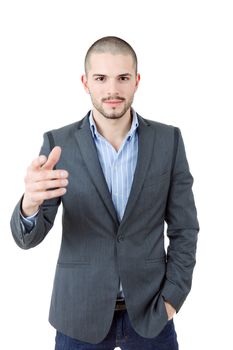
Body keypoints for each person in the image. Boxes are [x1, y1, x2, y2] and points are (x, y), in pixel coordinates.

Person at [10, 36, 199, 350]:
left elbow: (185, 228)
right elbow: (28, 238)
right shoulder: (59, 143)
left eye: (123, 78)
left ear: (136, 81)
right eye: (101, 78)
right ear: (86, 82)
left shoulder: (169, 141)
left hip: (151, 316)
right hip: (78, 316)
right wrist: (30, 203)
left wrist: (172, 299)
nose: (112, 90)